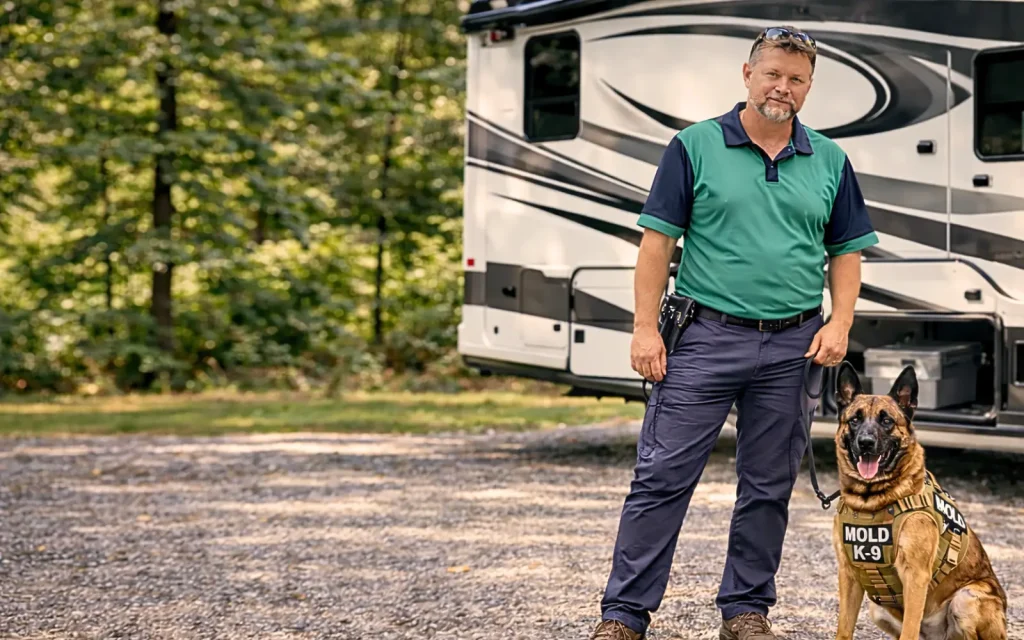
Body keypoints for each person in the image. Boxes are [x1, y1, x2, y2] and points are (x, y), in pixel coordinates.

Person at [590, 26, 879, 640]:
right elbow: (656, 243)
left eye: (797, 78)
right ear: (747, 75)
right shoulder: (694, 145)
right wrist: (646, 331)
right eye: (773, 73)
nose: (783, 87)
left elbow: (847, 250)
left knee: (769, 484)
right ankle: (623, 617)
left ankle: (746, 611)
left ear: (809, 87)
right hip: (704, 338)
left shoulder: (829, 158)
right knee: (661, 476)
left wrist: (841, 322)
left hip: (792, 345)